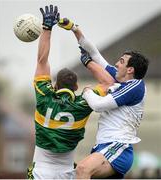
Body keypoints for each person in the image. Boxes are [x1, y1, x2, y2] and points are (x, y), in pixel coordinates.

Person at [27, 5, 114, 179]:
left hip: (40, 174)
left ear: (55, 85)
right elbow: (108, 82)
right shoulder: (84, 103)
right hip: (68, 174)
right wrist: (88, 61)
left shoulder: (44, 95)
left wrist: (47, 28)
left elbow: (42, 61)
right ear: (76, 87)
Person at [58, 18, 149, 179]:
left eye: (121, 61)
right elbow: (95, 54)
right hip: (104, 147)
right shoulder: (122, 80)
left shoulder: (135, 86)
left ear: (130, 69)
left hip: (118, 147)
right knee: (74, 174)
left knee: (82, 169)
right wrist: (75, 29)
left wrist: (87, 91)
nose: (116, 64)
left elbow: (98, 105)